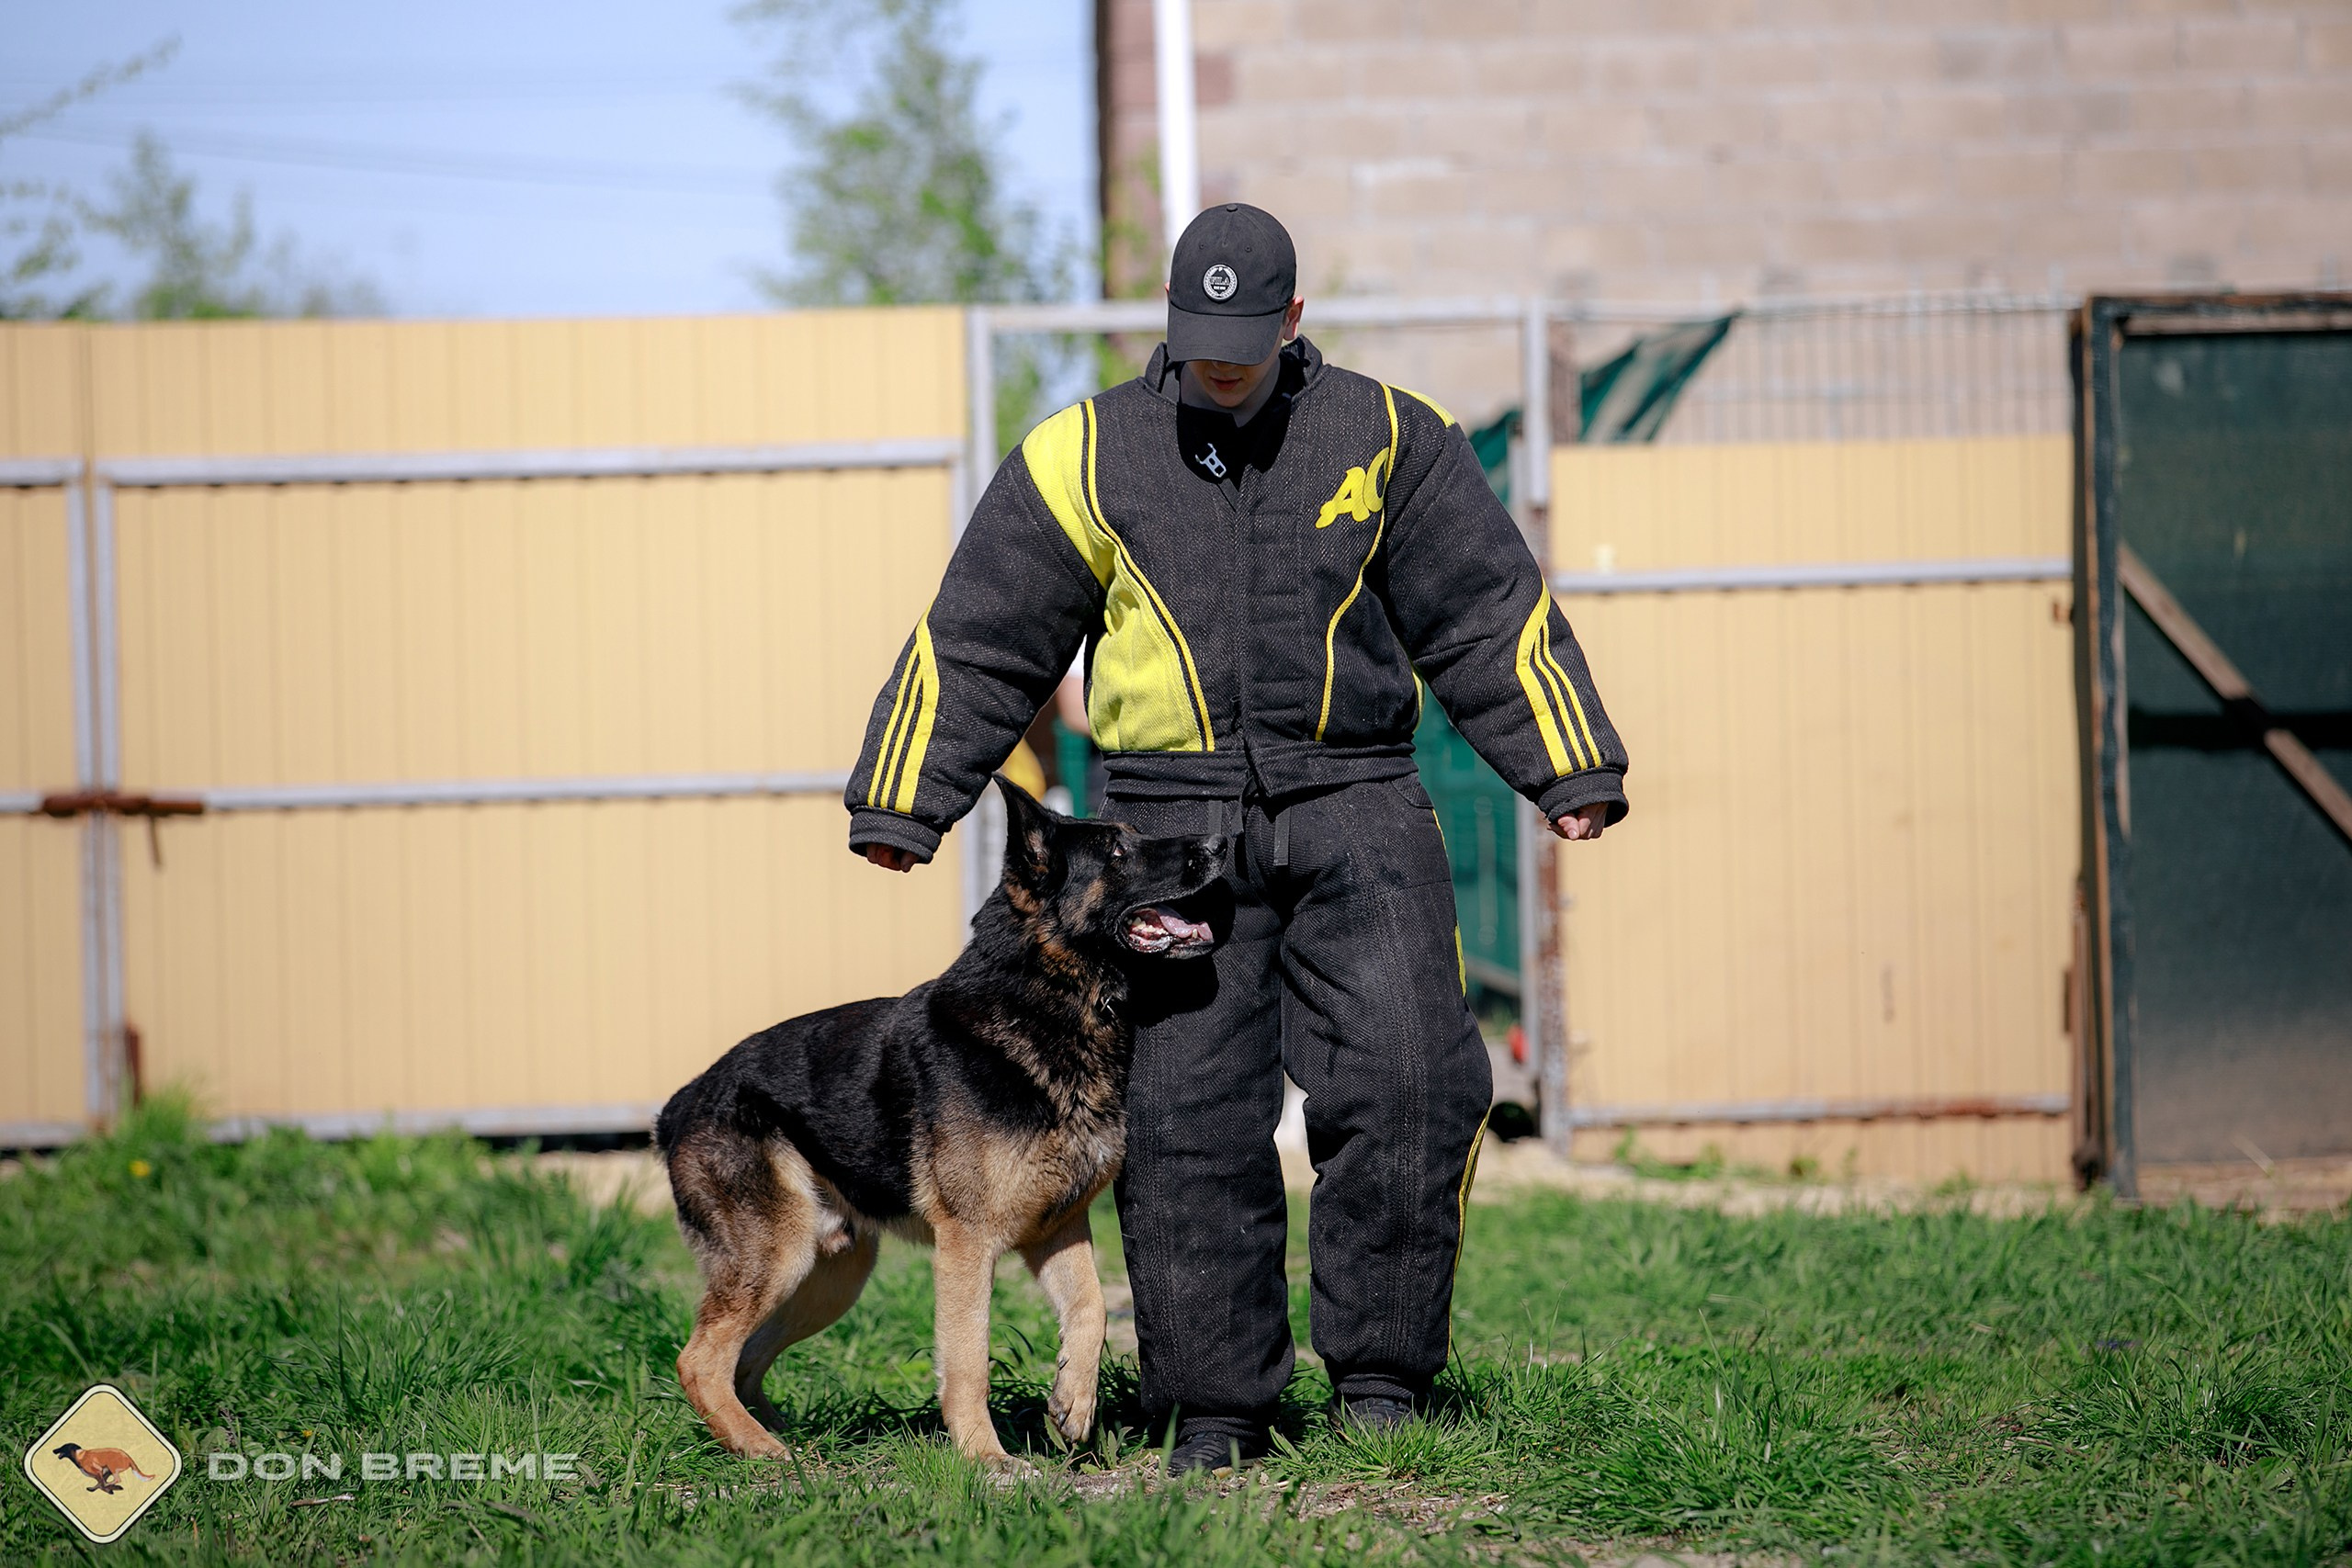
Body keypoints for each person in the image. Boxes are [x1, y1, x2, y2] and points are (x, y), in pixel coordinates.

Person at [845, 205, 1627, 1474]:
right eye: (1197, 336)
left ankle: (1383, 1378)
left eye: (1246, 338)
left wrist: (1566, 761)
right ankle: (1215, 1405)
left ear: (1294, 321)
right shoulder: (1087, 451)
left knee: (1413, 1078)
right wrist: (905, 799)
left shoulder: (1388, 436)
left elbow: (1486, 610)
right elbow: (984, 631)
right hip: (1165, 818)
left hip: (1356, 797)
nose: (1219, 361)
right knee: (1188, 1116)